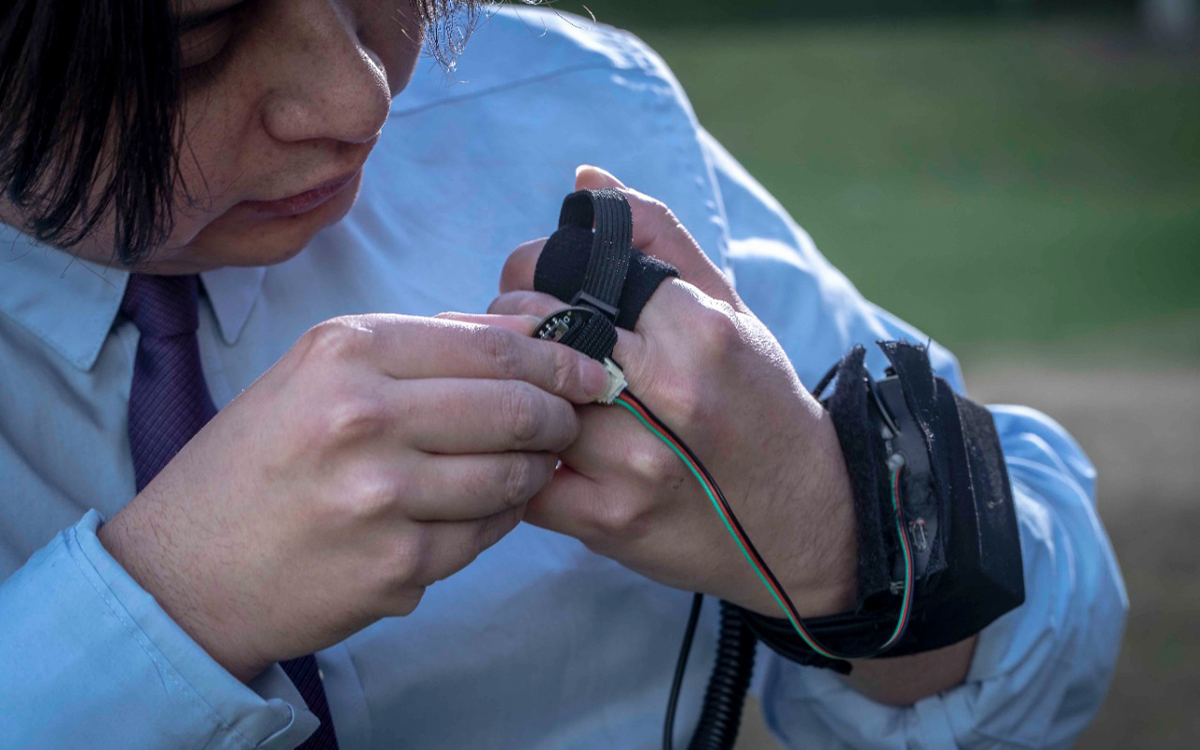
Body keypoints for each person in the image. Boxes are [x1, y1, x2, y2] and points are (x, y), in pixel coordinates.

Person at [0, 2, 1126, 748]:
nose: (358, 104)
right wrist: (165, 610)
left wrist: (831, 526)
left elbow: (1043, 669)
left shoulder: (561, 97)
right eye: (189, 43)